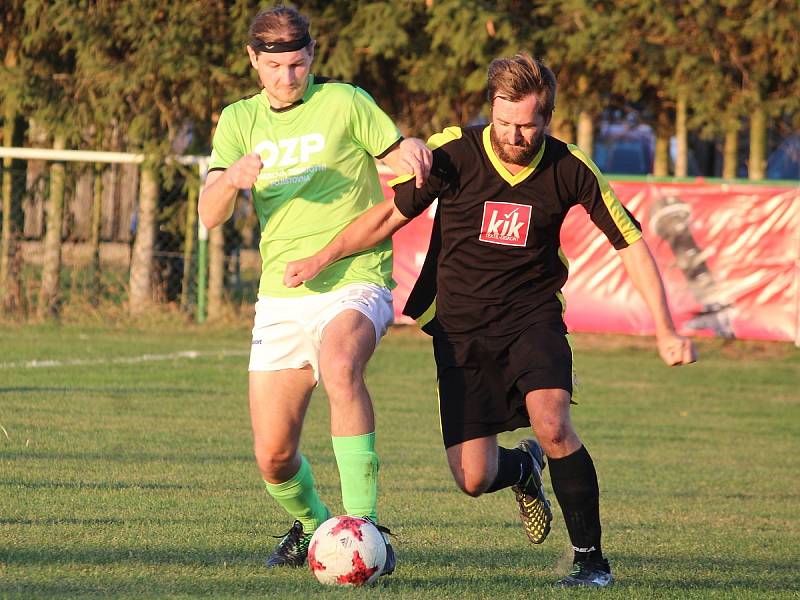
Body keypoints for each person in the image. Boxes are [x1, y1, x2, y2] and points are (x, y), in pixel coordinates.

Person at [283, 53, 697, 587]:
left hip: (533, 319)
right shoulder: (454, 151)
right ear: (492, 110)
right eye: (504, 122)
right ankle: (522, 468)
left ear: (546, 117)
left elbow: (630, 242)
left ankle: (590, 558)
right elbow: (388, 215)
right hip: (460, 330)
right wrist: (321, 257)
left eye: (526, 125)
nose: (513, 134)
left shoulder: (569, 167)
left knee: (552, 422)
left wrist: (665, 329)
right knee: (473, 478)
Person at [198, 6, 432, 574]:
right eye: (274, 66)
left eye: (297, 64)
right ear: (254, 60)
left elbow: (394, 151)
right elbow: (209, 214)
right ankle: (312, 527)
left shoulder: (345, 102)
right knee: (274, 457)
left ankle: (366, 528)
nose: (287, 77)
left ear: (312, 56)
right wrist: (231, 179)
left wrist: (415, 148)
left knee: (341, 363)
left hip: (355, 279)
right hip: (281, 297)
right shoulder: (238, 121)